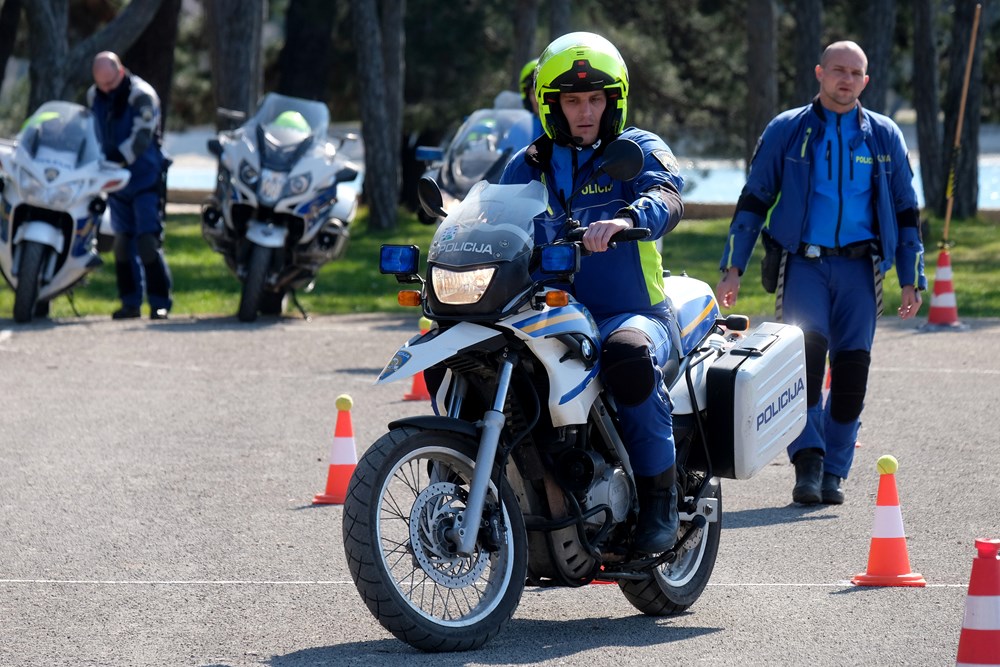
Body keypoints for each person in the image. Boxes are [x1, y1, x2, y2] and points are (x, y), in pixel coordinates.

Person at [714, 41, 926, 505]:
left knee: (852, 374)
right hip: (804, 266)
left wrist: (912, 276)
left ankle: (834, 470)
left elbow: (907, 210)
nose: (845, 79)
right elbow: (754, 199)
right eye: (837, 70)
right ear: (819, 73)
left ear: (866, 81)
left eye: (855, 72)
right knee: (804, 370)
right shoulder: (787, 130)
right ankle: (806, 464)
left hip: (860, 269)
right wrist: (733, 268)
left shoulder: (884, 135)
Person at [500, 32, 685, 554]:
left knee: (627, 356)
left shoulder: (638, 148)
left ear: (613, 101)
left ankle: (659, 499)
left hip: (630, 311)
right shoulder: (529, 163)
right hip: (548, 315)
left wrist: (628, 217)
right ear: (551, 105)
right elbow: (496, 215)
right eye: (573, 100)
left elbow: (666, 195)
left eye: (596, 99)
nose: (586, 111)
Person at [88, 51, 173, 320]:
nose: (107, 90)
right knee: (122, 244)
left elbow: (142, 135)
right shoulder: (94, 95)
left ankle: (159, 302)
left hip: (144, 177)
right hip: (116, 182)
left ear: (121, 71)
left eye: (111, 84)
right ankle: (130, 303)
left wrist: (117, 158)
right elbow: (91, 130)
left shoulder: (142, 95)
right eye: (102, 85)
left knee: (147, 242)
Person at [518, 57, 544, 139]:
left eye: (542, 92)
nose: (538, 99)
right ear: (527, 97)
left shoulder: (565, 128)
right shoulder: (521, 126)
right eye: (533, 93)